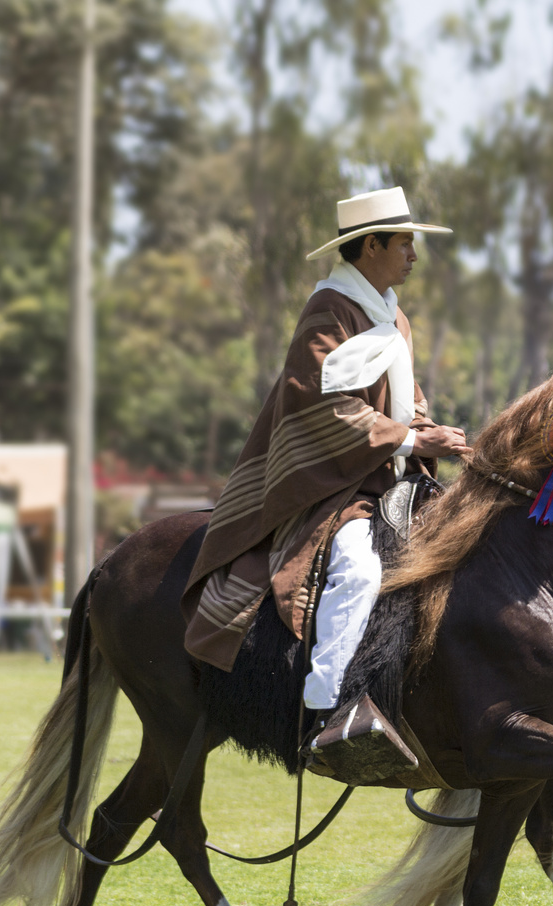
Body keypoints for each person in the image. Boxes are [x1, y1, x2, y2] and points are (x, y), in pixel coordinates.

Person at [182, 188, 467, 747]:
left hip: (392, 475)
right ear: (371, 247)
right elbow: (322, 405)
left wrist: (431, 432)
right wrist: (410, 440)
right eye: (404, 243)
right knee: (358, 570)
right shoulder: (329, 310)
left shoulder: (393, 316)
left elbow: (403, 398)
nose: (413, 254)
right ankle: (328, 705)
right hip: (336, 484)